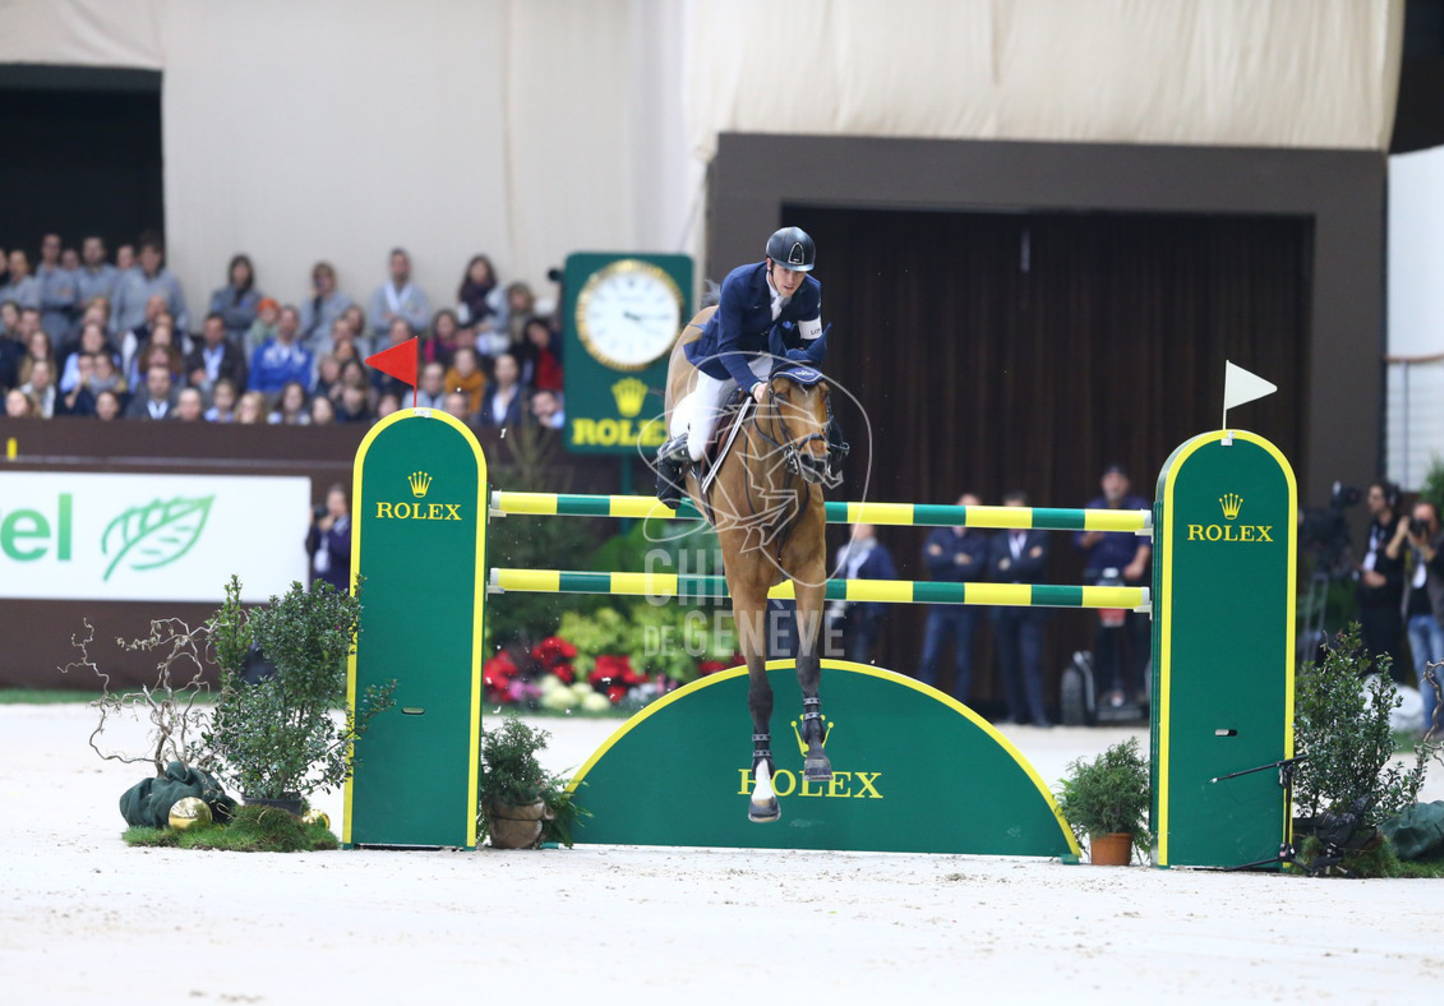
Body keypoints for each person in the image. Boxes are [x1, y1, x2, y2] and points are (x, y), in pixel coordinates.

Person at [655, 226, 836, 506]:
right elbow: (728, 347)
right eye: (785, 270)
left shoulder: (811, 291)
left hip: (769, 359)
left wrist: (806, 383)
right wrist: (753, 386)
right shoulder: (739, 283)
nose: (792, 280)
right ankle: (673, 451)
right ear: (769, 264)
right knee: (698, 445)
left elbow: (810, 346)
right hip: (724, 359)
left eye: (799, 273)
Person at [1075, 464, 1153, 709]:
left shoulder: (1138, 505)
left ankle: (1139, 690)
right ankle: (1104, 690)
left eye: (1118, 479)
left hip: (1131, 582)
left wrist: (1138, 564)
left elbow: (1146, 540)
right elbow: (1078, 543)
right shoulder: (1094, 507)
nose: (1114, 484)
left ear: (1126, 483)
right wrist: (1090, 537)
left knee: (1138, 634)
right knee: (1102, 637)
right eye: (1109, 478)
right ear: (1102, 483)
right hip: (1101, 582)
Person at [917, 493, 991, 703]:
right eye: (966, 507)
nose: (969, 513)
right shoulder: (939, 534)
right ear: (955, 507)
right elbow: (929, 561)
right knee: (929, 658)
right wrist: (957, 558)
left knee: (964, 662)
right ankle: (922, 706)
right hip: (939, 607)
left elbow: (976, 569)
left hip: (965, 609)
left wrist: (945, 557)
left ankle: (961, 710)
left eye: (975, 509)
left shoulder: (980, 540)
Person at [989, 491, 1051, 726]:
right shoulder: (996, 541)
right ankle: (1017, 713)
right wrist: (1023, 565)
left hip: (1031, 609)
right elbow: (995, 572)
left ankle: (1038, 715)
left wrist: (1010, 566)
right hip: (1004, 608)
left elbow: (1038, 565)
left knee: (1032, 661)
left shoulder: (1040, 536)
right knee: (1008, 661)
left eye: (1018, 511)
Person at [1358, 481, 1408, 679]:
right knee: (1367, 651)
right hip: (1368, 599)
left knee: (1388, 654)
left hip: (1389, 602)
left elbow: (1398, 564)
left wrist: (1385, 581)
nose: (1370, 502)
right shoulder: (1374, 526)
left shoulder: (1399, 527)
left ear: (1389, 501)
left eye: (1375, 497)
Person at [1402, 500, 1444, 733]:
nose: (1421, 525)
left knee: (1441, 671)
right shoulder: (1411, 545)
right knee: (1424, 674)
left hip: (1438, 617)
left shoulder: (1438, 542)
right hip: (1414, 617)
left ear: (1436, 521)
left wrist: (1425, 546)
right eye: (1417, 520)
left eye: (1425, 520)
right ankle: (1430, 726)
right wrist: (1403, 534)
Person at [826, 524, 896, 663]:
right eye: (856, 527)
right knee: (839, 651)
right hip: (845, 610)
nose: (858, 530)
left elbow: (890, 580)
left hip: (867, 611)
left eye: (863, 527)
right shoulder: (843, 552)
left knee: (861, 653)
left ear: (872, 530)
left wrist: (864, 586)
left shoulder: (879, 553)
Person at [112, 234, 188, 335]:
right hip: (129, 337)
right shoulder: (126, 279)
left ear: (161, 256)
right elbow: (114, 311)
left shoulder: (171, 281)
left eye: (154, 255)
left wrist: (177, 333)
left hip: (161, 339)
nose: (150, 259)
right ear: (139, 257)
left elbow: (182, 312)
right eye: (146, 255)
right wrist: (115, 334)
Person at [367, 248, 430, 342]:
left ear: (408, 267)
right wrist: (410, 316)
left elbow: (423, 322)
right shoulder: (380, 293)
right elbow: (375, 322)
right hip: (385, 344)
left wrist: (395, 317)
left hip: (411, 344)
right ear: (390, 267)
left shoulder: (418, 293)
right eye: (395, 264)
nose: (399, 267)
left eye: (402, 264)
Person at [248, 306, 314, 395]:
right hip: (266, 400)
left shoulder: (305, 355)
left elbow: (305, 383)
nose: (287, 325)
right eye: (284, 320)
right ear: (278, 322)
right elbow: (254, 384)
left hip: (293, 400)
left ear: (297, 324)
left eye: (291, 321)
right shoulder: (262, 351)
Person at [185, 312, 248, 393]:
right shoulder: (195, 352)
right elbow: (187, 375)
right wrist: (193, 378)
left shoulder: (234, 353)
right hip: (200, 394)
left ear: (223, 332)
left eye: (215, 330)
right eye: (208, 330)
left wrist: (221, 385)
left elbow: (239, 380)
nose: (211, 334)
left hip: (226, 394)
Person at [306, 483, 352, 593]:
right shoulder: (324, 522)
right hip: (320, 582)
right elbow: (310, 549)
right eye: (331, 502)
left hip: (340, 584)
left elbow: (344, 552)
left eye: (338, 503)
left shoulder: (351, 525)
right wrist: (313, 526)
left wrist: (330, 531)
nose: (334, 507)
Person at [208, 254, 263, 344]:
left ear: (249, 272)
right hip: (224, 336)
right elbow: (216, 316)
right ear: (232, 271)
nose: (241, 272)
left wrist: (229, 312)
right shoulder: (219, 294)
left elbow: (253, 318)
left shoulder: (257, 296)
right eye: (238, 268)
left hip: (248, 337)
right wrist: (242, 313)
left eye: (244, 269)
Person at [298, 261, 353, 347]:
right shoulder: (309, 301)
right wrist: (312, 303)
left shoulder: (344, 301)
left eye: (325, 277)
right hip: (311, 342)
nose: (322, 281)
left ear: (332, 279)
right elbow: (304, 327)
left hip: (334, 342)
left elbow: (344, 327)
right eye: (318, 278)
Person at [37, 233, 79, 345]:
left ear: (59, 250)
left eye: (55, 247)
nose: (51, 250)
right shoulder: (34, 273)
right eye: (48, 246)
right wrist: (57, 294)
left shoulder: (67, 276)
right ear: (42, 248)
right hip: (35, 321)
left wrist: (44, 297)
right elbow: (36, 300)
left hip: (59, 324)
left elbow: (68, 299)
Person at [75, 236, 119, 325]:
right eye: (88, 248)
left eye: (96, 248)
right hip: (82, 326)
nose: (92, 252)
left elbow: (117, 305)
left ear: (103, 252)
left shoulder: (115, 275)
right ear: (83, 252)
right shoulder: (75, 276)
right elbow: (72, 303)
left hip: (108, 325)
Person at [477, 351, 525, 428]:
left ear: (516, 369)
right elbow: (483, 419)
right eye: (502, 368)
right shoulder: (488, 394)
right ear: (495, 371)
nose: (505, 372)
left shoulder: (524, 394)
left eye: (509, 368)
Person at [444, 346, 486, 415]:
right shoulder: (450, 379)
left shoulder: (481, 381)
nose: (464, 364)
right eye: (461, 361)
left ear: (474, 363)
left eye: (467, 361)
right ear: (455, 364)